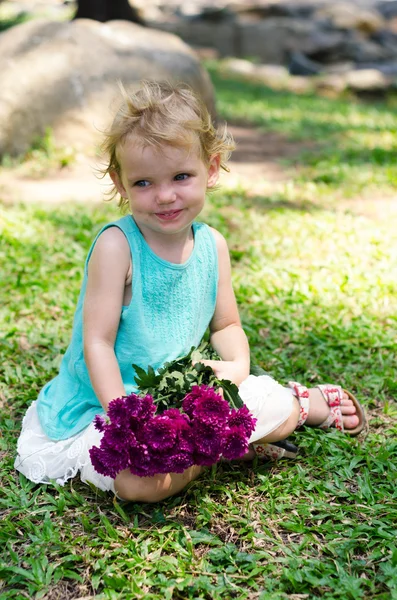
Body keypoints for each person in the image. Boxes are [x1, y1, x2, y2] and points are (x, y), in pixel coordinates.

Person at [15, 81, 365, 502]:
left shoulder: (212, 245)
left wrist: (235, 368)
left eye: (181, 176)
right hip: (107, 406)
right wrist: (122, 418)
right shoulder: (117, 246)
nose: (164, 196)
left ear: (211, 169)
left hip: (182, 399)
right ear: (120, 183)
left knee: (282, 411)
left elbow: (227, 324)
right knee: (138, 484)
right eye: (143, 182)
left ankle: (296, 403)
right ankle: (224, 449)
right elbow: (98, 342)